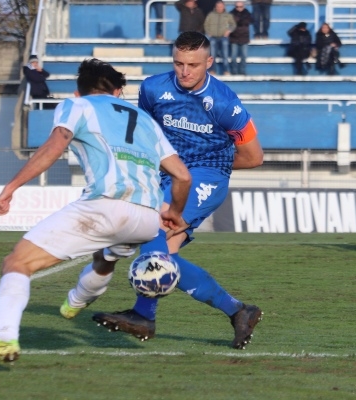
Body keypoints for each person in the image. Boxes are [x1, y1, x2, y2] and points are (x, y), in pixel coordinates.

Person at [0, 58, 192, 365]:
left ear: (79, 91)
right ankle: (75, 302)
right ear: (117, 91)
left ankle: (3, 338)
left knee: (17, 263)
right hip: (147, 218)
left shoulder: (77, 105)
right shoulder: (147, 121)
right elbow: (183, 176)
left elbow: (55, 145)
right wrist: (175, 213)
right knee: (105, 257)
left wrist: (11, 187)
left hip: (105, 205)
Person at [60, 32, 265, 350]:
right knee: (164, 254)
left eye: (193, 65)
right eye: (179, 63)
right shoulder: (153, 89)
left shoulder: (225, 103)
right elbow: (147, 134)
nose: (185, 71)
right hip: (167, 176)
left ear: (209, 63)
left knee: (152, 226)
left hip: (206, 177)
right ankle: (238, 311)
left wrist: (209, 166)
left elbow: (253, 157)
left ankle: (144, 316)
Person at [204, 0, 236, 75]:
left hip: (223, 37)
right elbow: (206, 24)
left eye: (221, 6)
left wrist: (228, 31)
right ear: (215, 7)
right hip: (213, 37)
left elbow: (233, 25)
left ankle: (226, 70)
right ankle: (212, 70)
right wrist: (208, 32)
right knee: (212, 55)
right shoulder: (211, 15)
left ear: (224, 7)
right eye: (218, 6)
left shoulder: (228, 15)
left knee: (225, 54)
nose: (219, 8)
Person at [229, 1, 252, 75]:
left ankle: (242, 70)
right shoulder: (231, 13)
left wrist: (237, 21)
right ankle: (234, 70)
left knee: (244, 56)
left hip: (244, 37)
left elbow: (247, 22)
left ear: (244, 6)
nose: (239, 8)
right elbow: (231, 23)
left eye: (240, 6)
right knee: (233, 56)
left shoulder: (247, 14)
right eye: (237, 7)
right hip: (234, 37)